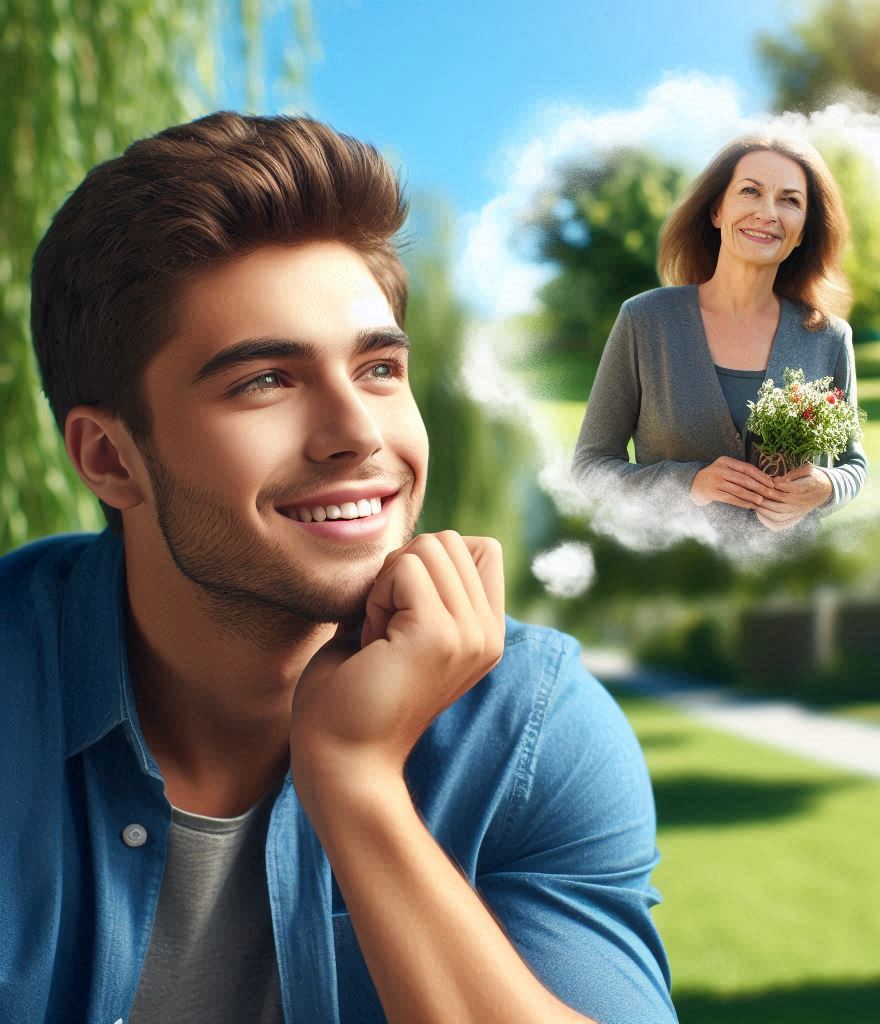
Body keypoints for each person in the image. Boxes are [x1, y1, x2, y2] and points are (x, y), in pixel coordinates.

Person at [1, 112, 677, 1024]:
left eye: (379, 368)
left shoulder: (528, 731)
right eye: (265, 381)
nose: (359, 435)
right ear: (110, 459)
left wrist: (356, 782)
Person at [572, 134, 867, 536]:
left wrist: (827, 486)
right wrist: (689, 484)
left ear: (802, 231)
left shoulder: (828, 337)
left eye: (790, 200)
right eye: (750, 191)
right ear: (716, 209)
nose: (768, 213)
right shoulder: (645, 320)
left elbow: (854, 465)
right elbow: (590, 468)